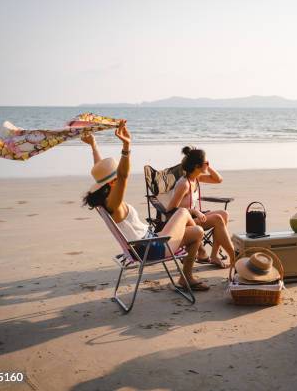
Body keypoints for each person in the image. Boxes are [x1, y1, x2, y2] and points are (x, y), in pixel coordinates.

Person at [81, 122, 209, 291]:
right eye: (116, 179)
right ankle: (194, 263)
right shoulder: (115, 204)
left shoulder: (104, 201)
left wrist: (94, 145)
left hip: (148, 242)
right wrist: (126, 145)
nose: (119, 181)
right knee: (189, 219)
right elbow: (123, 175)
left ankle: (196, 260)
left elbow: (102, 171)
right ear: (112, 183)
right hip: (152, 248)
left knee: (194, 229)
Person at [168, 146, 235, 268]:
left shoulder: (196, 178)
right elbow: (170, 210)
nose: (208, 164)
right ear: (197, 166)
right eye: (206, 162)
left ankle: (214, 255)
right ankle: (233, 256)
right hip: (184, 223)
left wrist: (207, 165)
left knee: (224, 214)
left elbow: (218, 179)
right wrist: (194, 211)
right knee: (218, 218)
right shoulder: (184, 184)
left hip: (194, 219)